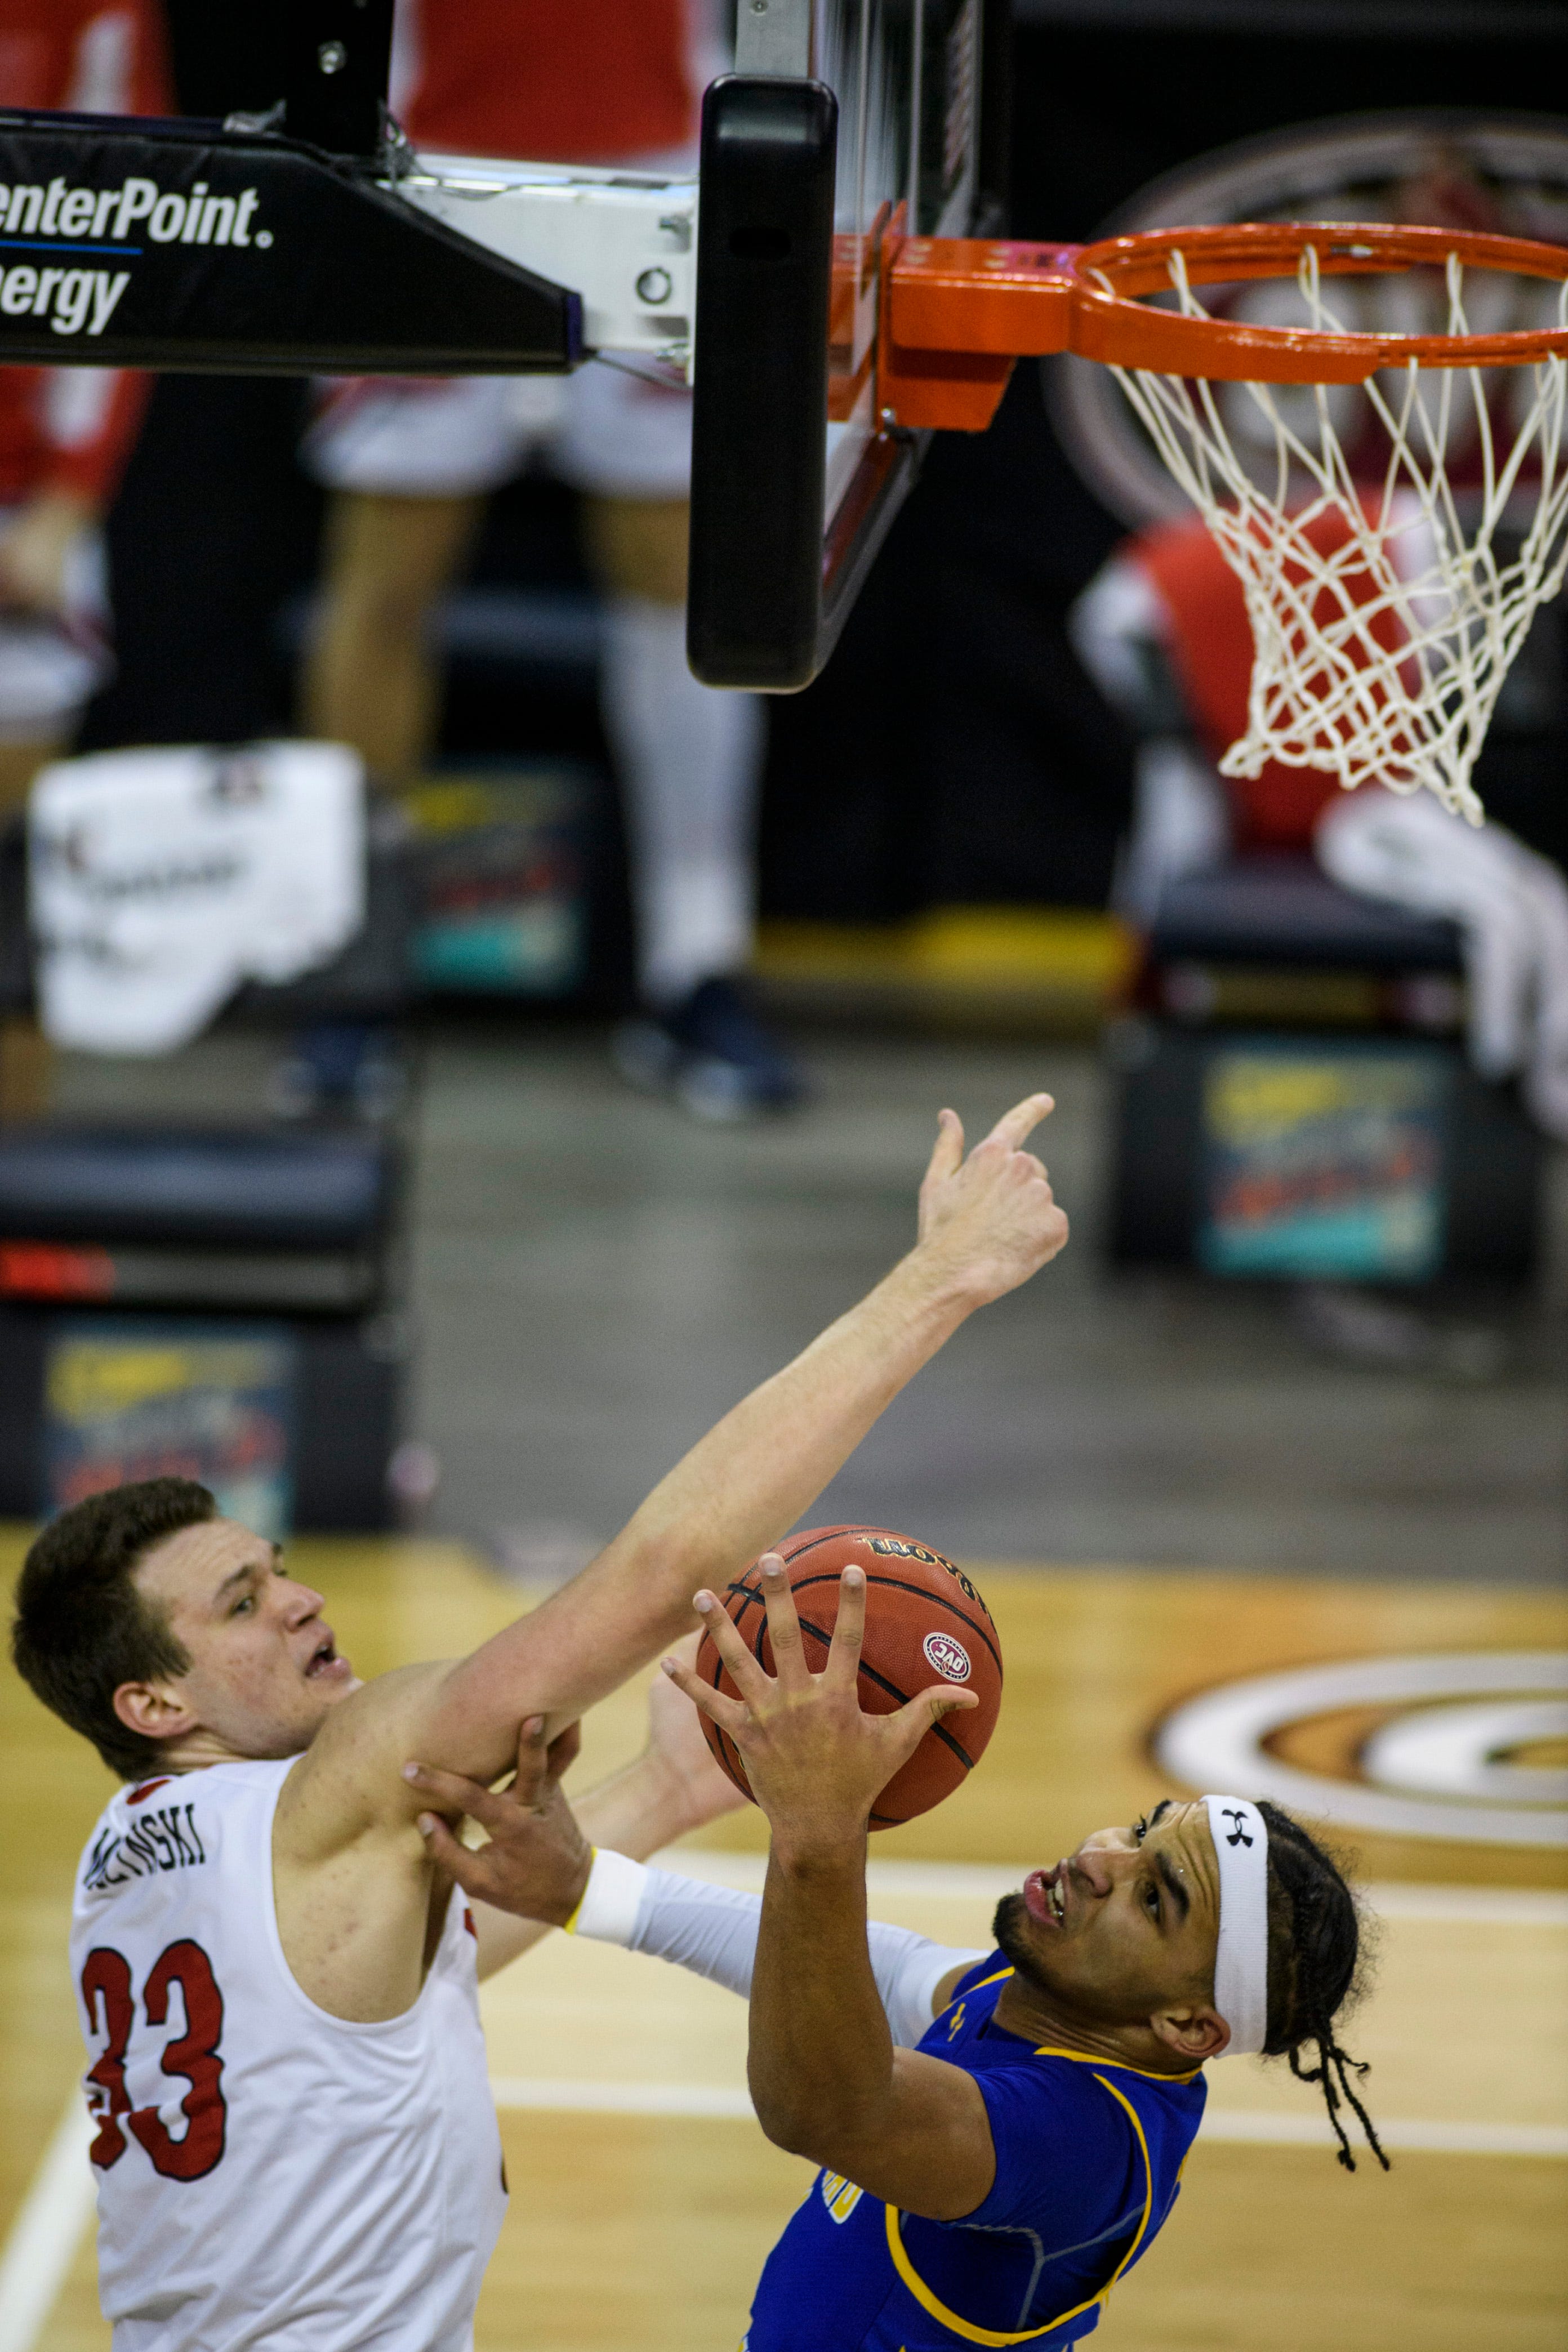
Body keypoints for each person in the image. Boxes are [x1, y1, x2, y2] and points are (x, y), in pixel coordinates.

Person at [10, 1089, 1070, 2352]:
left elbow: (412, 1956)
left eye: (279, 1569)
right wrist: (942, 1279)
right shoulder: (348, 1774)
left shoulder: (136, 1854)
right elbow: (660, 1573)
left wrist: (666, 1787)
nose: (300, 1601)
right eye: (243, 1603)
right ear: (153, 1702)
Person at [413, 1562, 1389, 2352]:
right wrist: (589, 1889)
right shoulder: (1062, 1994)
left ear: (1186, 2024)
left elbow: (825, 2107)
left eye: (1153, 1896)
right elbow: (894, 1974)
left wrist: (820, 1827)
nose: (1100, 1860)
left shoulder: (1087, 2143)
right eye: (1140, 1831)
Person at [301, 0, 801, 1121]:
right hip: (426, 164)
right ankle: (355, 964)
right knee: (386, 580)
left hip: (662, 167)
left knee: (682, 581)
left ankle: (699, 963)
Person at [0, 0, 171, 1115]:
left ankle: (17, 1186)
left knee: (13, 890)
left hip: (19, 497)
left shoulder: (94, 13)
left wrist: (67, 497)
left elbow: (124, 235)